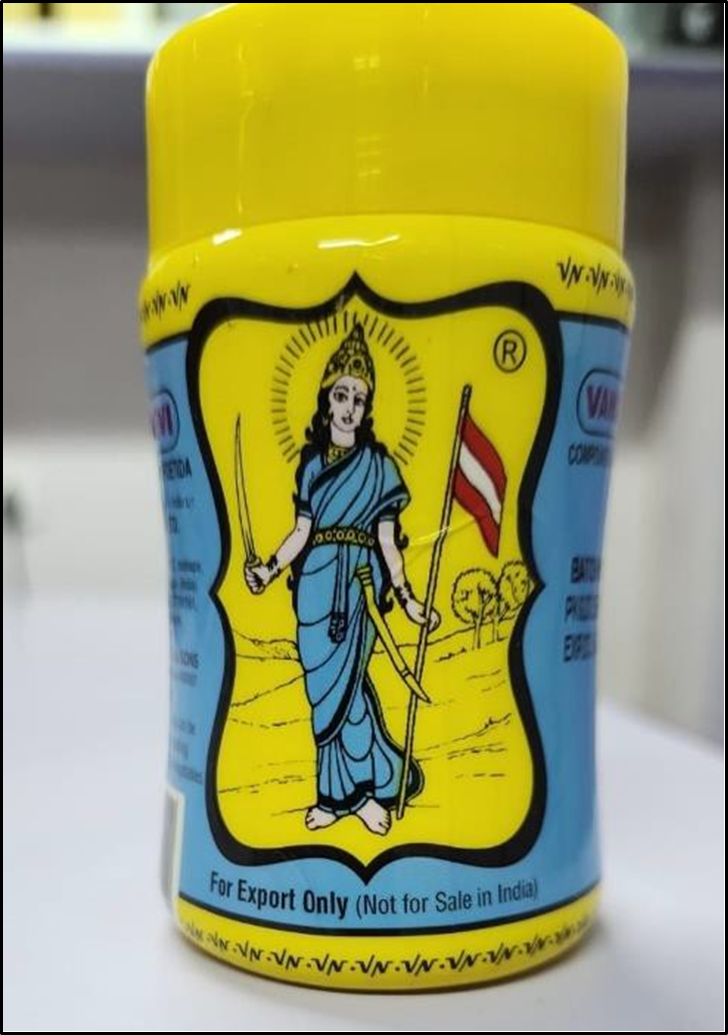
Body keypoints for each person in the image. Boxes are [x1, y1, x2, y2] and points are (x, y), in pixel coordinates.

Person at [245, 322, 439, 835]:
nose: (350, 406)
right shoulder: (311, 465)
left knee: (350, 695)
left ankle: (361, 795)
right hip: (313, 586)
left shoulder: (378, 466)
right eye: (341, 395)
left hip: (357, 586)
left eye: (359, 398)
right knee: (323, 696)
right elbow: (301, 531)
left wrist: (408, 599)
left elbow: (387, 540)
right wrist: (268, 569)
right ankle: (334, 799)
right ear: (326, 400)